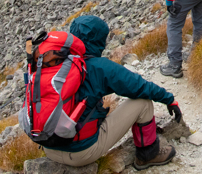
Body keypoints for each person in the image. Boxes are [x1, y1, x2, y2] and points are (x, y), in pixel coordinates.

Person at [41, 15, 182, 170]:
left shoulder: (53, 63)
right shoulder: (100, 67)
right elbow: (139, 86)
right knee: (143, 103)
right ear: (99, 40)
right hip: (82, 153)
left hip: (49, 147)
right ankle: (148, 155)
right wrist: (169, 99)